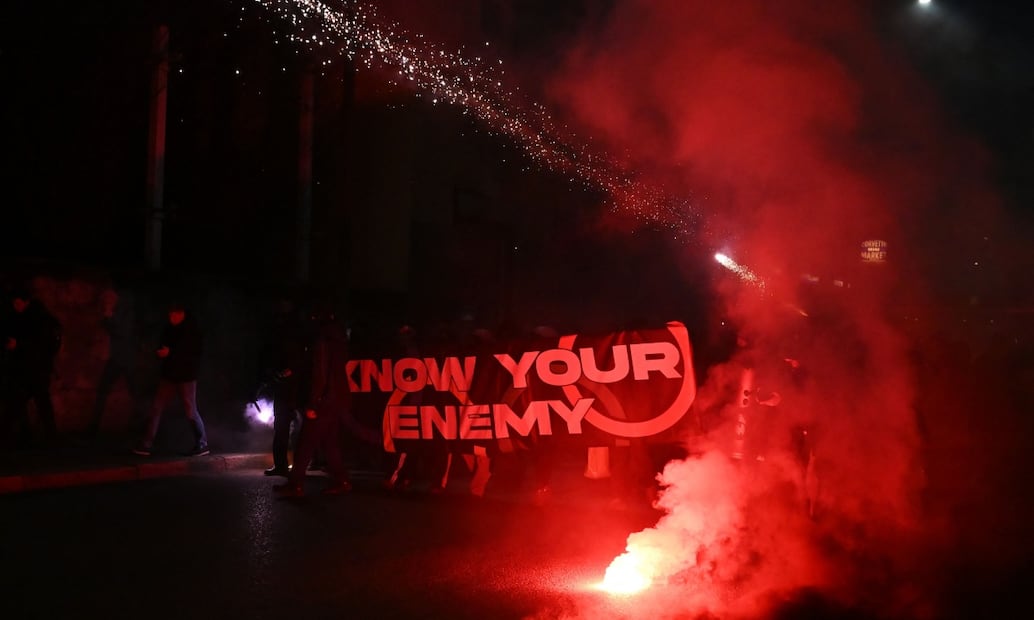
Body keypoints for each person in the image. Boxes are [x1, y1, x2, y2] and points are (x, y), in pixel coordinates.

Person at [274, 300, 352, 497]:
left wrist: (313, 402)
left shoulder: (322, 341)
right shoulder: (339, 340)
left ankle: (296, 484)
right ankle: (342, 480)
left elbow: (320, 374)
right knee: (330, 443)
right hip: (335, 399)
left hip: (323, 401)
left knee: (306, 442)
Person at [133, 301, 209, 457]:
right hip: (169, 375)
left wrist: (171, 353)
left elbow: (192, 354)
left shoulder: (192, 331)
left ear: (181, 314)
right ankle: (146, 444)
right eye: (170, 315)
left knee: (190, 411)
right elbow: (163, 346)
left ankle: (202, 444)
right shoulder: (169, 329)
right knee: (156, 408)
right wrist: (160, 353)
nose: (171, 318)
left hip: (186, 377)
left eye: (174, 315)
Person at [1, 285, 62, 448]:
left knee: (39, 404)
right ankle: (21, 436)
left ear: (26, 302)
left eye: (18, 303)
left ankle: (51, 439)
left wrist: (18, 345)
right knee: (17, 403)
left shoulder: (39, 318)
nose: (16, 306)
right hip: (25, 369)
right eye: (14, 303)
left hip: (37, 369)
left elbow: (41, 344)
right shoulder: (19, 317)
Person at [260, 298, 310, 477]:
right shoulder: (293, 329)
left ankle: (290, 465)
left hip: (292, 386)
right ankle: (290, 465)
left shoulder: (287, 330)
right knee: (289, 426)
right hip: (290, 385)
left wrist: (288, 370)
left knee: (289, 426)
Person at [88, 285, 141, 438]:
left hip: (126, 358)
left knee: (135, 393)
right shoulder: (120, 309)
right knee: (104, 390)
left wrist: (109, 318)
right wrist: (107, 318)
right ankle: (93, 427)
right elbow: (112, 328)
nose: (108, 298)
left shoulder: (126, 310)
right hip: (118, 358)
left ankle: (143, 426)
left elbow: (122, 332)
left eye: (110, 295)